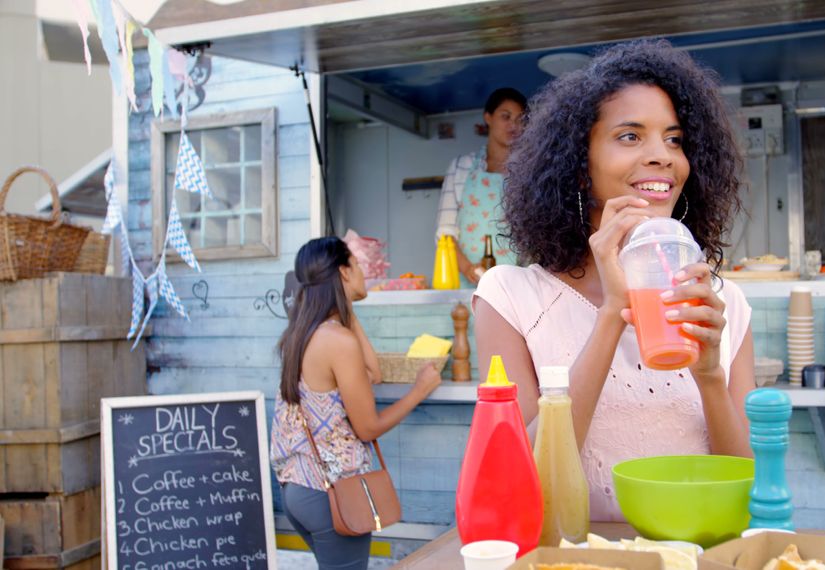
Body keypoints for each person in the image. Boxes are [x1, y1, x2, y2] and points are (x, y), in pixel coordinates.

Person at [473, 40, 755, 522]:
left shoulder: (723, 302)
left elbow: (743, 482)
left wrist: (710, 376)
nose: (662, 156)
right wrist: (611, 316)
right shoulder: (511, 296)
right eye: (630, 136)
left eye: (675, 139)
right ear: (579, 168)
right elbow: (516, 480)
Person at [270, 237, 440, 569]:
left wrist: (347, 305)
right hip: (332, 494)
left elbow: (372, 372)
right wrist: (419, 391)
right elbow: (367, 428)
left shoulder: (304, 332)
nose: (364, 272)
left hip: (299, 491)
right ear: (343, 272)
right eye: (358, 265)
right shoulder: (338, 341)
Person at [434, 87, 527, 284]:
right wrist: (469, 269)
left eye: (520, 119)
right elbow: (445, 232)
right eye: (506, 116)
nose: (513, 125)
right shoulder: (461, 167)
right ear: (488, 117)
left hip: (517, 284)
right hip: (468, 283)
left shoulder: (530, 172)